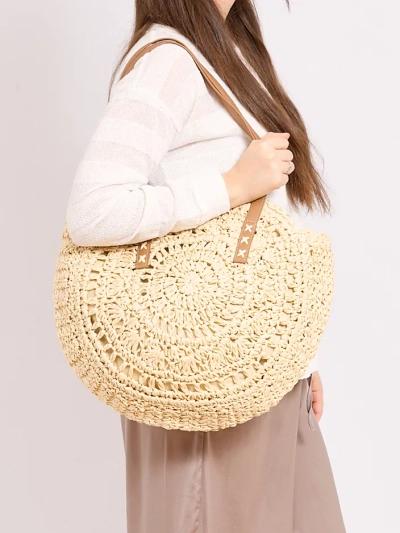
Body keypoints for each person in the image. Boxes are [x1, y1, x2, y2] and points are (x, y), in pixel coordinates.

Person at [65, 1, 346, 531]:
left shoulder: (228, 50)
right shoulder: (168, 60)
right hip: (199, 375)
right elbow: (92, 210)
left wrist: (296, 358)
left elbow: (265, 232)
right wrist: (232, 185)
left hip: (257, 372)